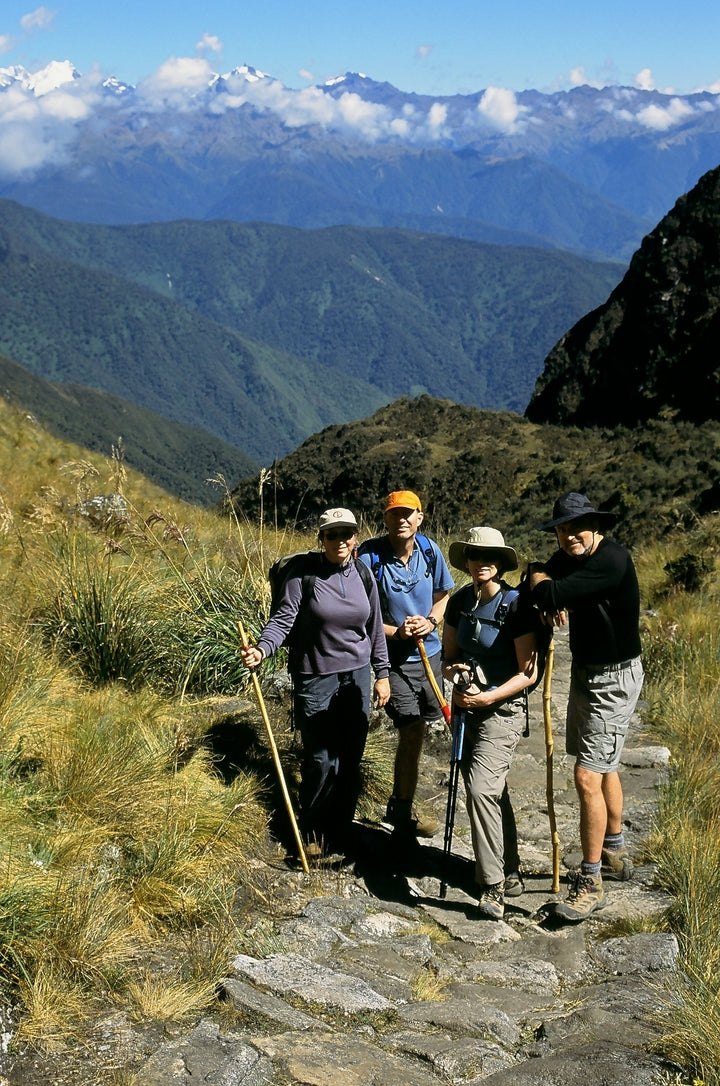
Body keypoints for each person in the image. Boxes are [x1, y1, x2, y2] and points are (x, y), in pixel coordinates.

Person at [240, 507, 391, 857]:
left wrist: (382, 675)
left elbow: (374, 629)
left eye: (347, 533)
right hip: (315, 674)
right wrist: (262, 650)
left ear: (356, 537)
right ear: (321, 539)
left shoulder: (364, 575)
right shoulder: (302, 575)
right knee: (321, 757)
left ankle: (340, 827)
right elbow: (282, 620)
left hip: (356, 676)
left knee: (350, 756)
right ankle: (312, 828)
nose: (340, 540)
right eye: (332, 534)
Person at [528, 491, 643, 921]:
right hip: (588, 671)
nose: (568, 535)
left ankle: (590, 879)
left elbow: (547, 591)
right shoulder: (571, 555)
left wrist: (548, 592)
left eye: (576, 527)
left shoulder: (610, 561)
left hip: (613, 678)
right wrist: (542, 582)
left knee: (586, 775)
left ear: (596, 526)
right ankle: (613, 850)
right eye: (561, 529)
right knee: (604, 762)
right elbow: (536, 574)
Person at [442, 526, 539, 919]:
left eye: (490, 557)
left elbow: (528, 673)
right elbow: (447, 657)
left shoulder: (516, 606)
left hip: (502, 710)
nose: (482, 563)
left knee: (481, 791)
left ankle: (493, 886)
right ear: (466, 561)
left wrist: (488, 695)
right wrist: (455, 674)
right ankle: (510, 866)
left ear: (500, 564)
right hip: (467, 708)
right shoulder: (459, 601)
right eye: (475, 556)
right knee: (492, 790)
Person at [357, 490, 454, 840]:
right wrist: (395, 633)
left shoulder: (429, 551)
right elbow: (363, 615)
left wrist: (431, 621)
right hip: (392, 659)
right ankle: (400, 810)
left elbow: (444, 594)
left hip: (430, 655)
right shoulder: (369, 557)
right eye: (394, 514)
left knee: (423, 730)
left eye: (407, 513)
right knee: (411, 729)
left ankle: (402, 804)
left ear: (419, 517)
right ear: (384, 519)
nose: (401, 519)